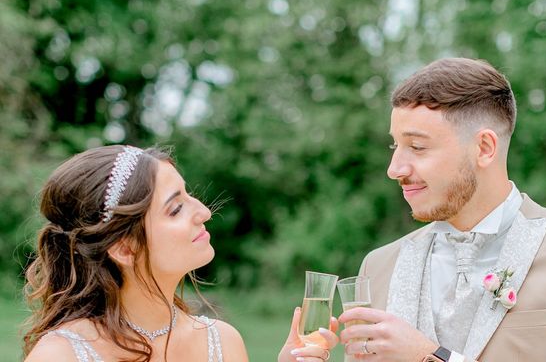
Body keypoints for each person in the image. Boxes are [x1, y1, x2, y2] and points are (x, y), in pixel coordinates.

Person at [339, 58, 546, 362]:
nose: (395, 169)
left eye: (417, 147)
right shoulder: (377, 267)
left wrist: (430, 357)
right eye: (395, 146)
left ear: (484, 148)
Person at [23, 145, 337, 362]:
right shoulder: (61, 355)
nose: (203, 212)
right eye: (175, 208)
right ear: (124, 247)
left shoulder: (223, 341)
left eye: (190, 195)